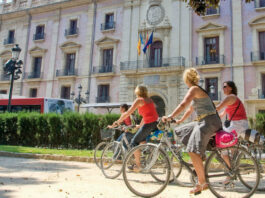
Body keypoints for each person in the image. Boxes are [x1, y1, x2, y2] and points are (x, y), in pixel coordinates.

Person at [162, 68, 222, 195]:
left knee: (191, 150)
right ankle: (200, 155)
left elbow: (183, 104)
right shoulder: (196, 90)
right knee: (182, 130)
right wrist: (179, 120)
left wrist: (170, 116)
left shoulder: (194, 89)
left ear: (186, 79)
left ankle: (202, 182)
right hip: (203, 120)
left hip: (209, 121)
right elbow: (190, 109)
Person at [111, 85, 159, 171]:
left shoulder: (139, 100)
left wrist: (118, 121)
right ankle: (145, 155)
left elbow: (128, 113)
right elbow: (146, 115)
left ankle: (138, 166)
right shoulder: (150, 100)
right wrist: (139, 126)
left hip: (148, 124)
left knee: (134, 142)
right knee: (141, 140)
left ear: (137, 92)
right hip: (154, 123)